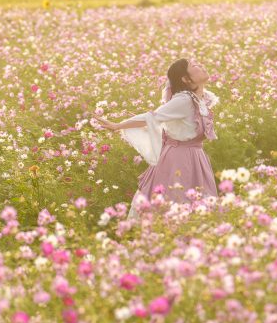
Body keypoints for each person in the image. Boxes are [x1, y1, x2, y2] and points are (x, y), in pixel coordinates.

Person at [93, 58, 218, 219]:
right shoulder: (184, 100)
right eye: (194, 66)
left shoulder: (201, 98)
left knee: (195, 204)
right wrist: (118, 125)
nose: (200, 65)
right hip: (179, 160)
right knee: (177, 203)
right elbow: (153, 117)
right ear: (186, 79)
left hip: (196, 158)